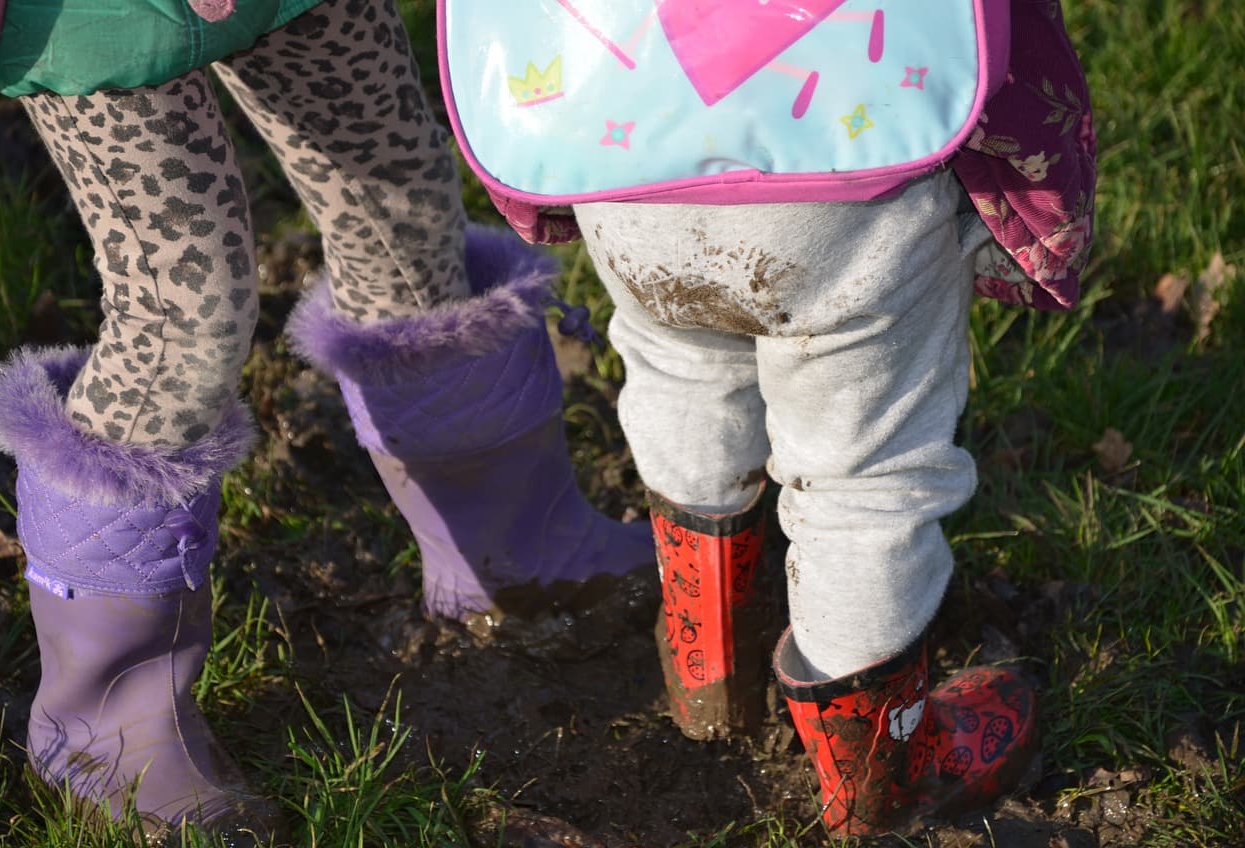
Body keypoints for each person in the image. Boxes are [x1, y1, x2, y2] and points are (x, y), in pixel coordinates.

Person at [0, 0, 653, 842]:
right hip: (95, 20)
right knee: (185, 310)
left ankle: (517, 558)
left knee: (400, 202)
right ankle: (107, 725)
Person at [443, 0, 1096, 835]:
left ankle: (709, 673)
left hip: (620, 121)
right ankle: (877, 781)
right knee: (862, 471)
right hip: (850, 137)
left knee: (682, 366)